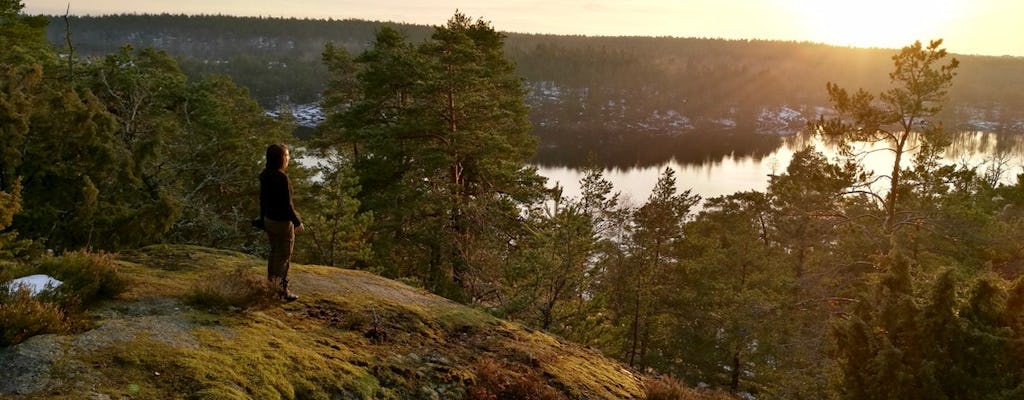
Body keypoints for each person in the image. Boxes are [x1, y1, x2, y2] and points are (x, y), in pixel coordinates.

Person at [259, 143, 304, 301]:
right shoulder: (281, 178)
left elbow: (262, 200)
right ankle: (281, 291)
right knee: (284, 256)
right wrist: (297, 222)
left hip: (269, 220)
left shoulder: (265, 175)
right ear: (281, 158)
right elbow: (287, 205)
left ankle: (271, 285)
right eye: (287, 155)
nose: (289, 158)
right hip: (282, 223)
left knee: (274, 253)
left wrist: (261, 218)